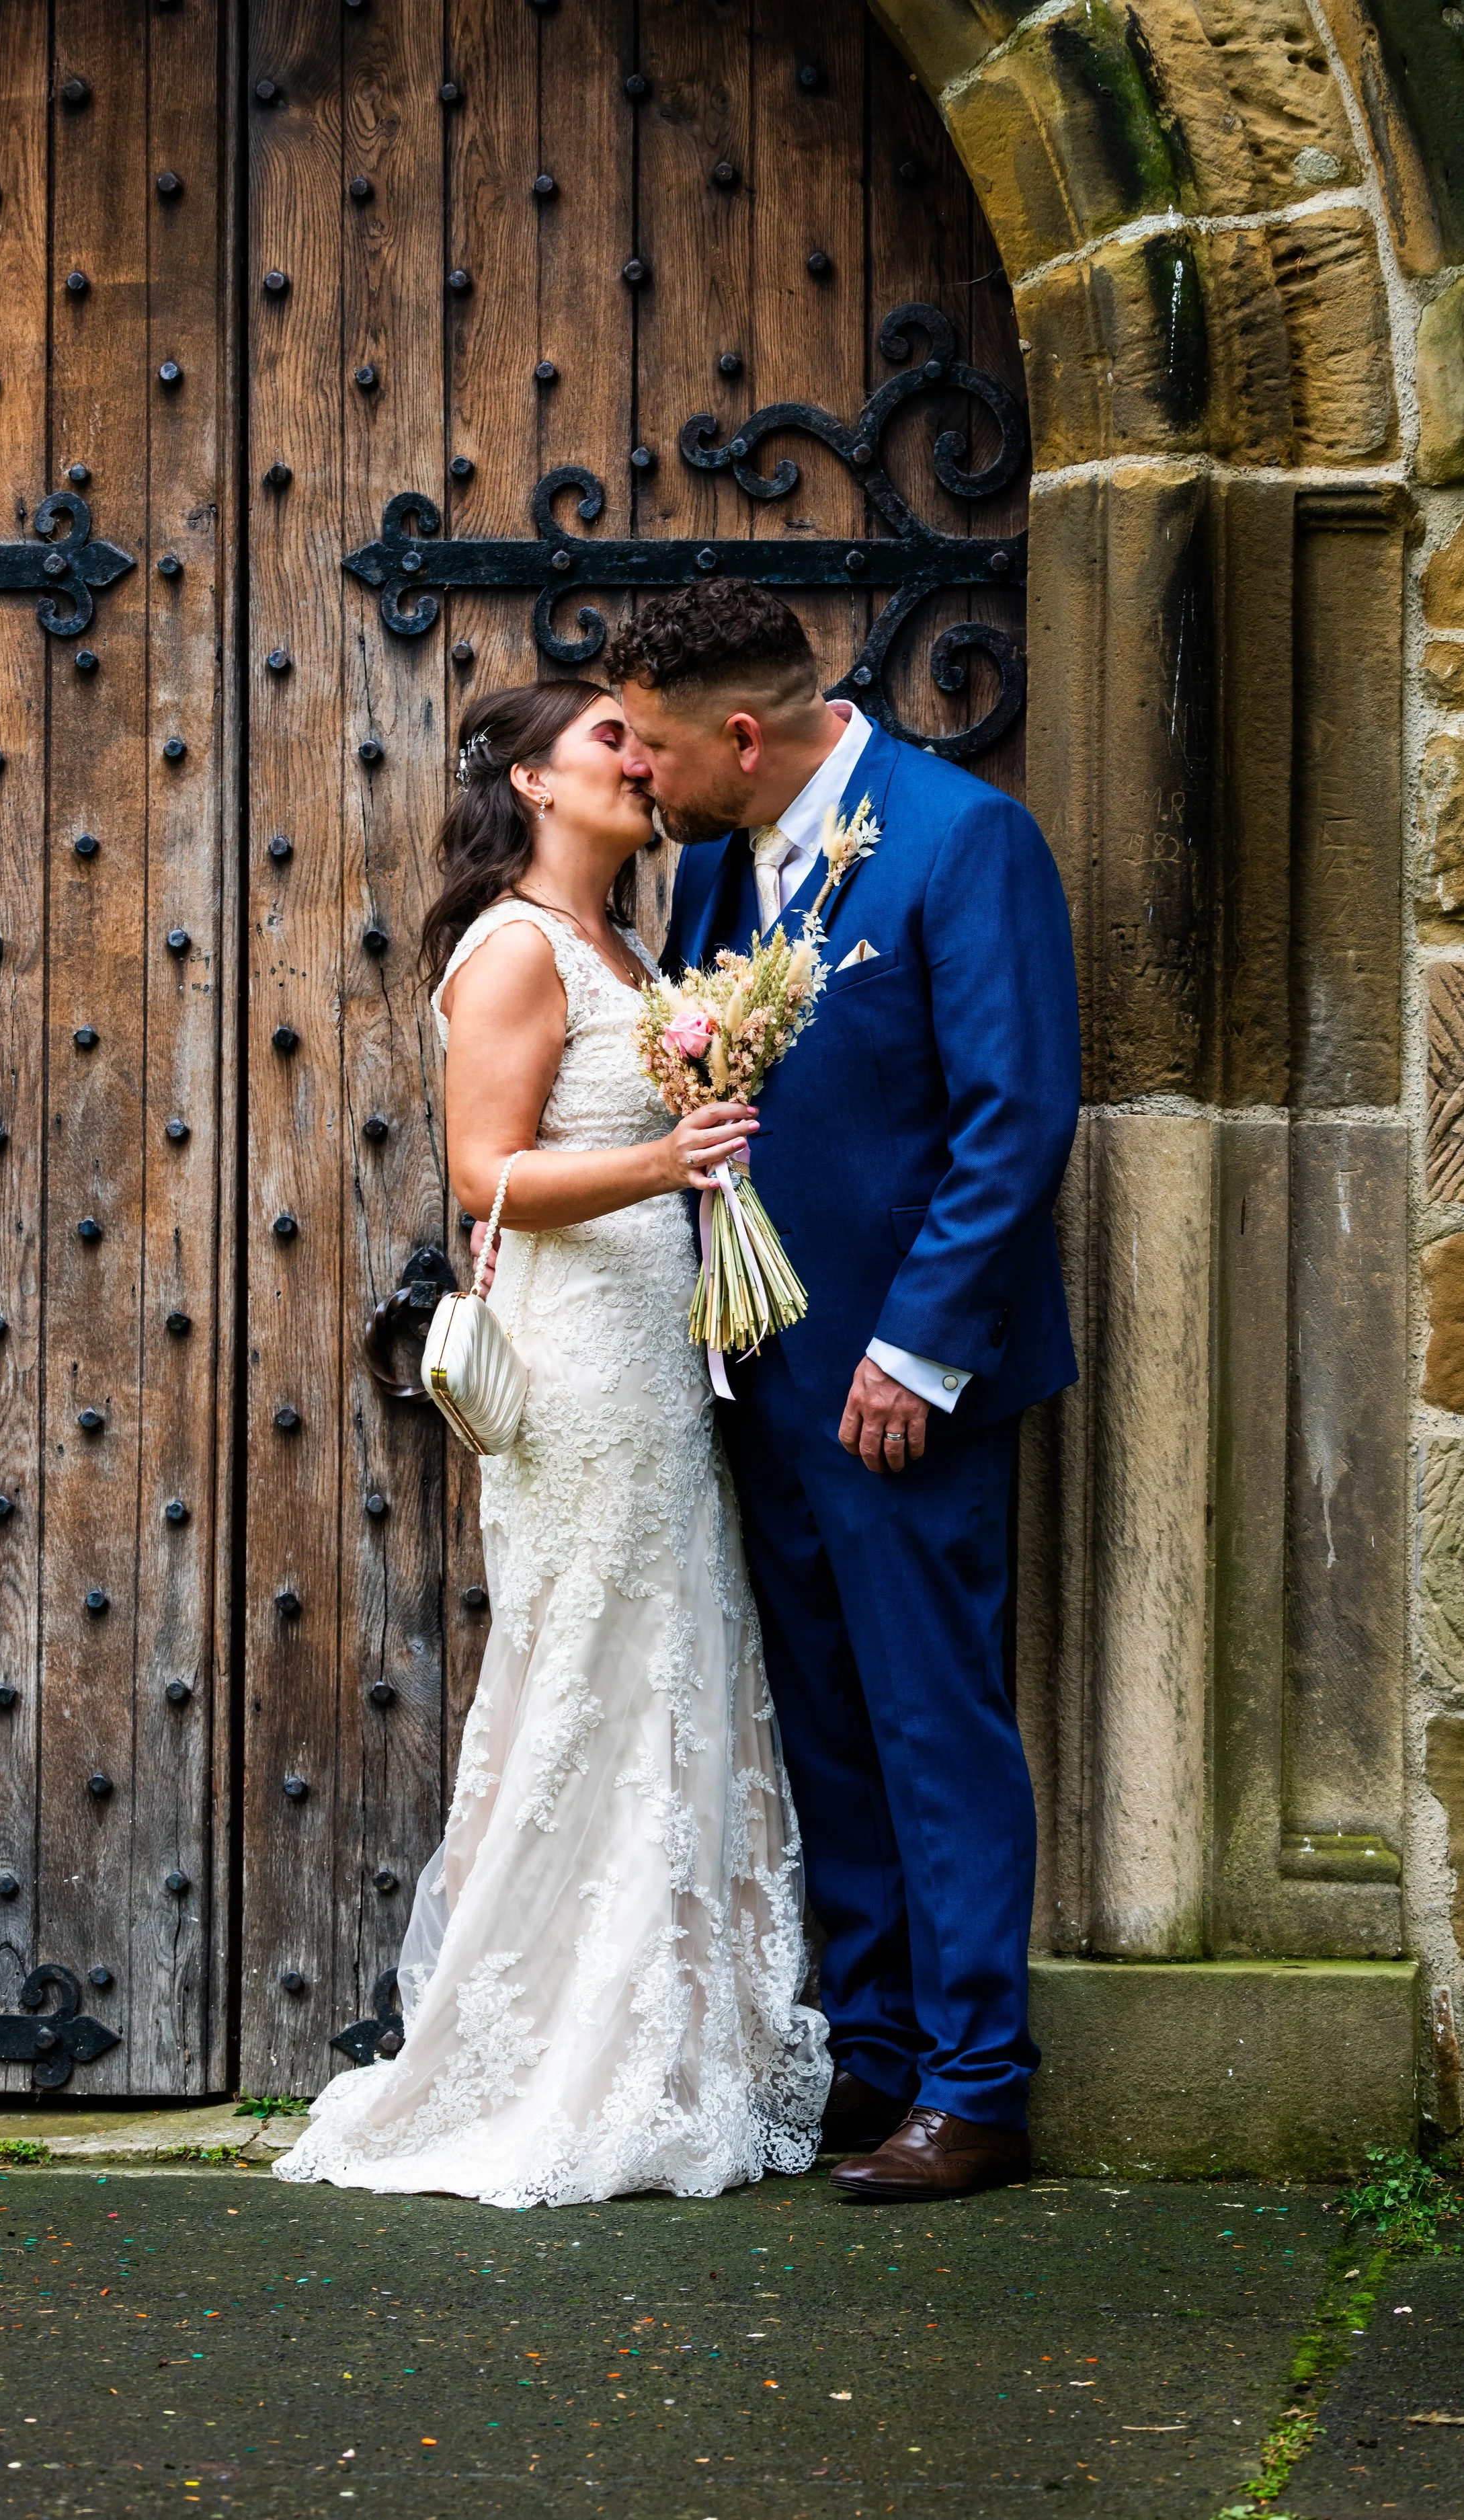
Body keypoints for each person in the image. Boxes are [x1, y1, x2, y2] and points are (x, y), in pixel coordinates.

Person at [274, 678, 831, 2210]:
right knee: (587, 1667)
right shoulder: (514, 945)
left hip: (659, 1362)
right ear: (529, 778)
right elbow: (481, 1171)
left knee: (668, 1660)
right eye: (607, 739)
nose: (638, 761)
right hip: (579, 1373)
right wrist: (669, 1155)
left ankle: (662, 2045)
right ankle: (536, 2059)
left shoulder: (631, 948)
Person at [610, 580, 1081, 2202]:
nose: (639, 780)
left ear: (742, 735)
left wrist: (911, 1348)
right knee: (825, 1722)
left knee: (929, 1715)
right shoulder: (713, 868)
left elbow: (1012, 1119)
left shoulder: (961, 841)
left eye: (659, 751)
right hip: (760, 1375)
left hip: (902, 1383)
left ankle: (975, 2083)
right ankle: (873, 2051)